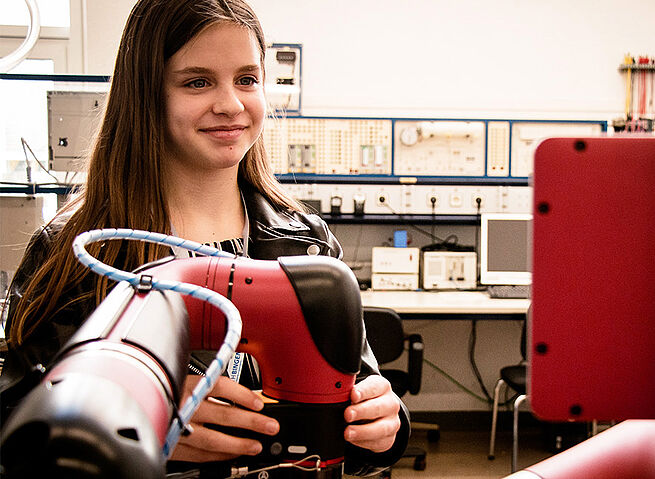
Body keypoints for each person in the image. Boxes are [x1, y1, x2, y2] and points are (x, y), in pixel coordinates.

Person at [0, 0, 409, 474]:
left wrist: (385, 425)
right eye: (197, 81)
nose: (231, 104)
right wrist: (136, 417)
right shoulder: (78, 252)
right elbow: (14, 421)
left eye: (247, 80)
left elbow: (356, 393)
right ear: (146, 93)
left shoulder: (306, 244)